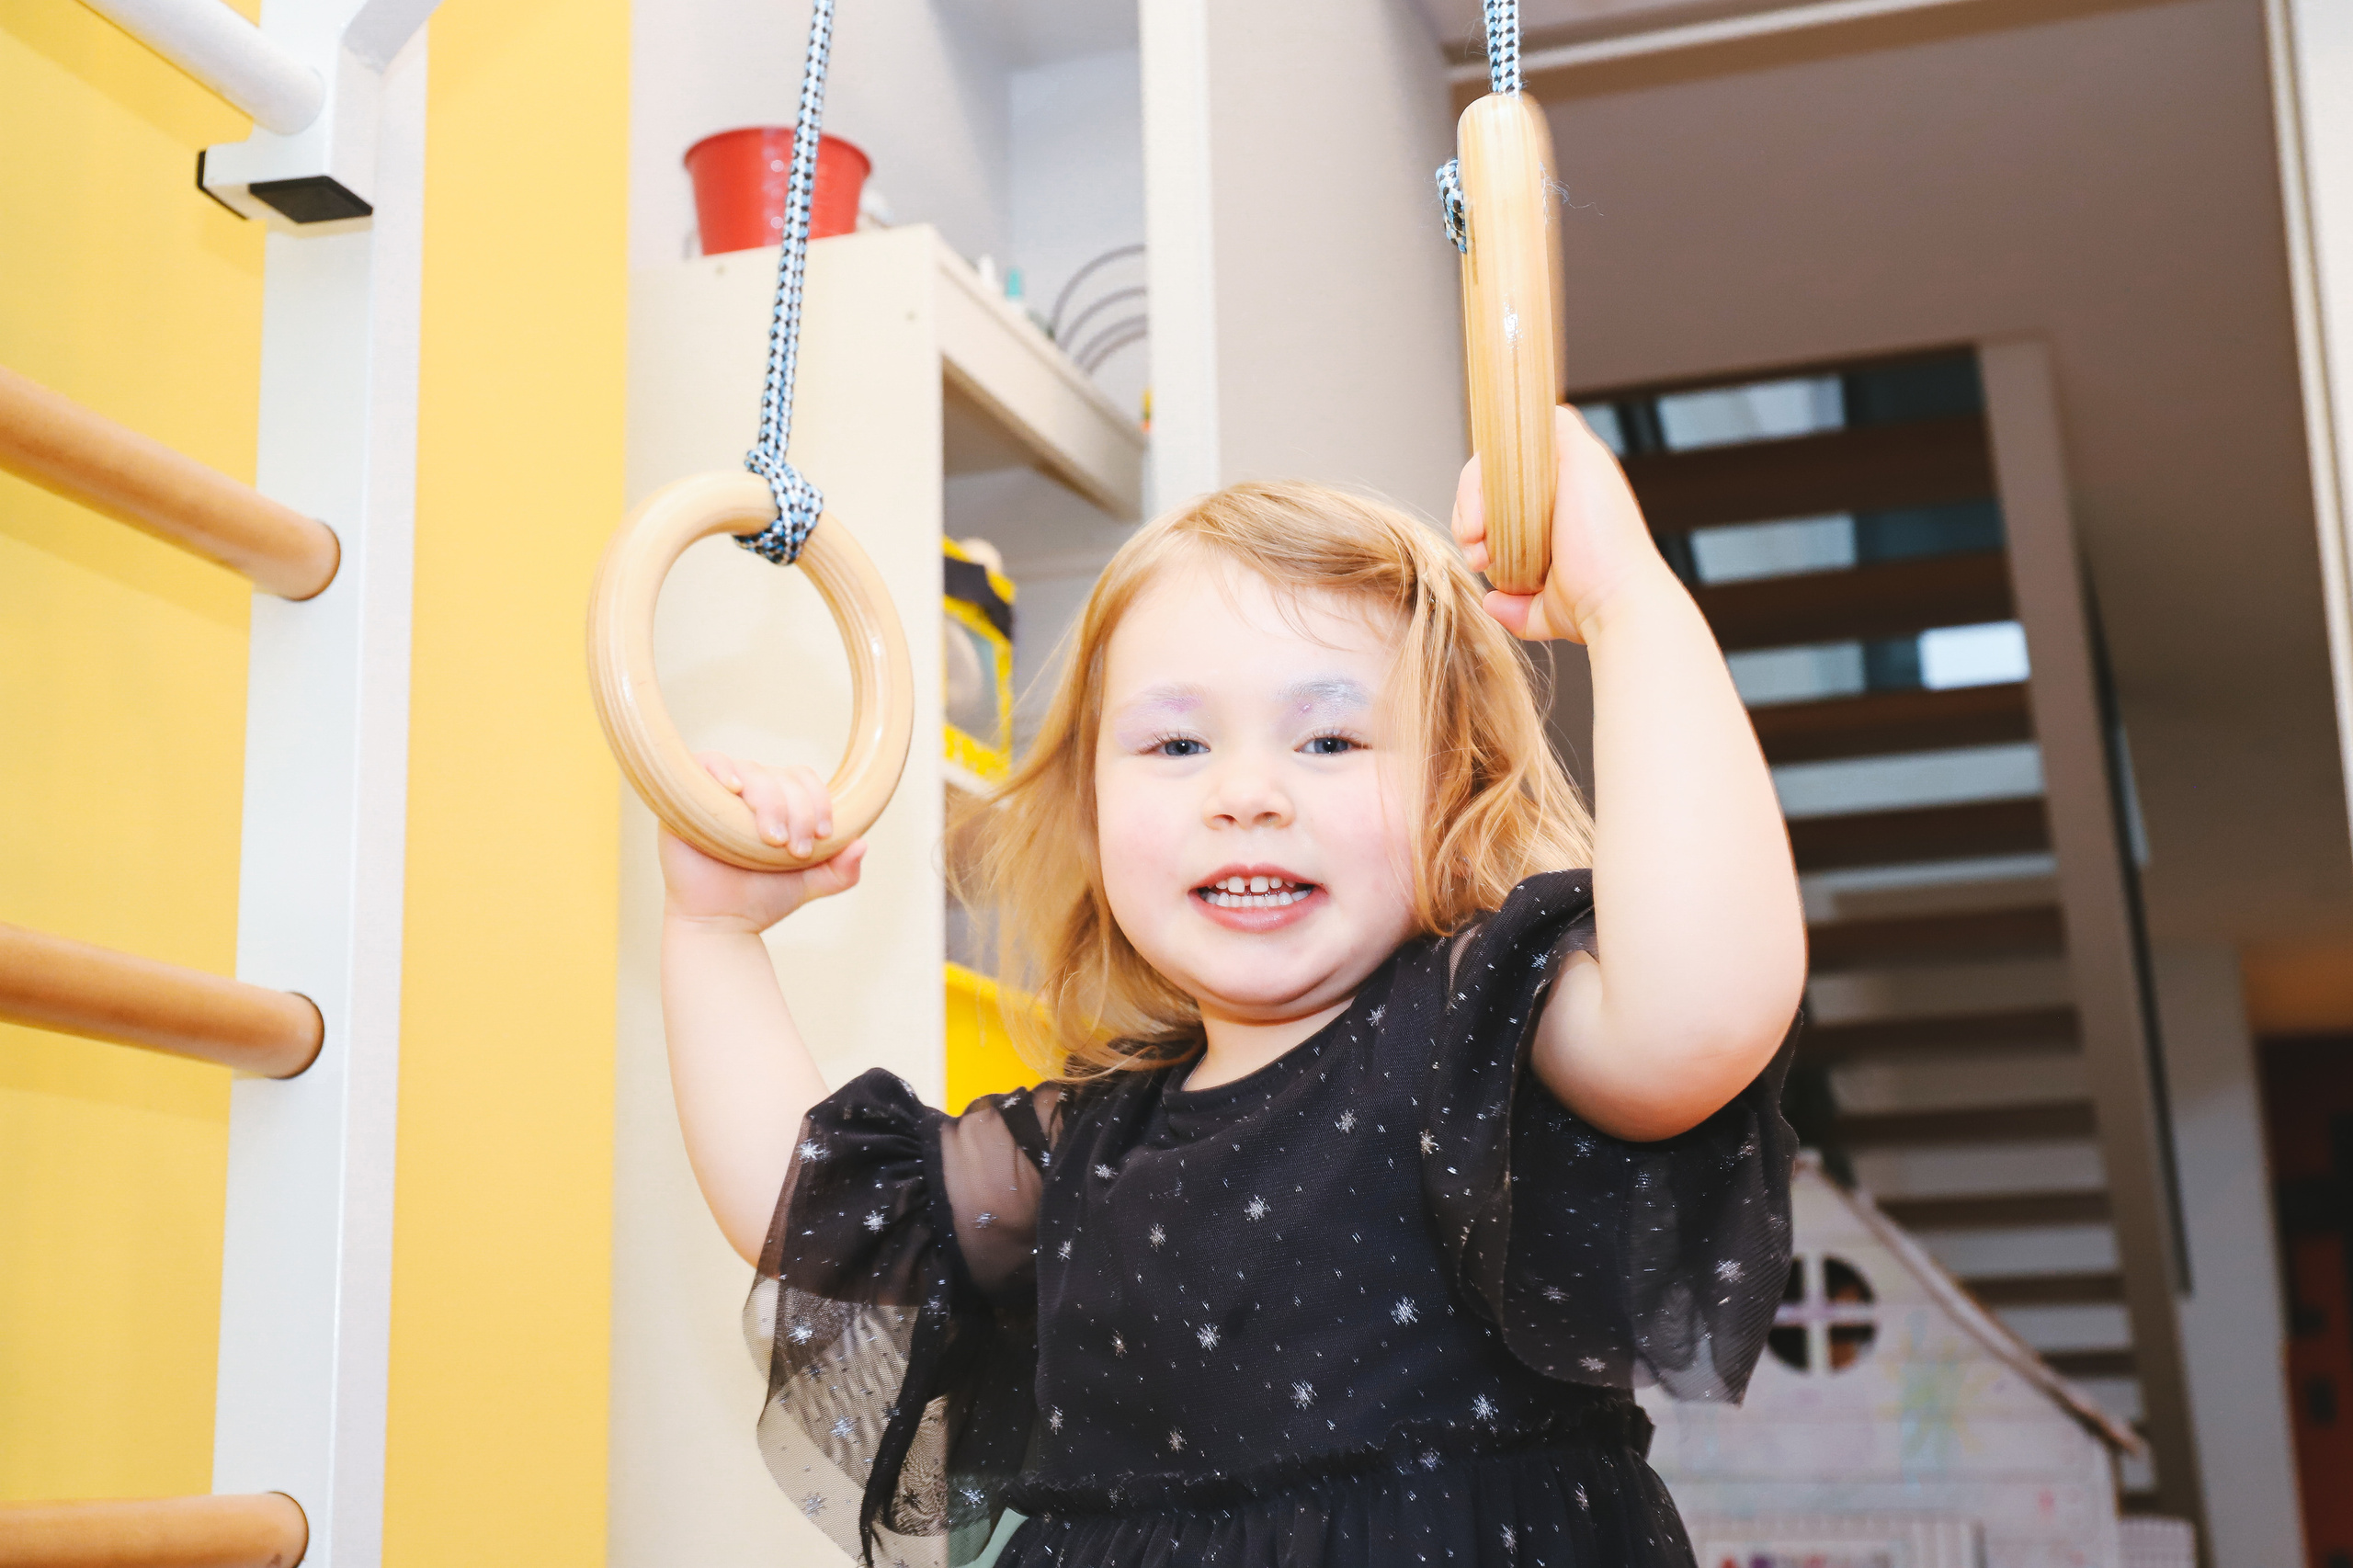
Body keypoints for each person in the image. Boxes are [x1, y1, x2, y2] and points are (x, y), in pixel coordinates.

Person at [657, 407, 1808, 1567]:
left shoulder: (1472, 1031)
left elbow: (1699, 1015)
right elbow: (826, 1210)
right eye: (1176, 746)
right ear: (1091, 809)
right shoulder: (1088, 1146)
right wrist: (713, 930)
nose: (1247, 792)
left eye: (1329, 742)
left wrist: (1626, 602)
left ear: (1454, 789)